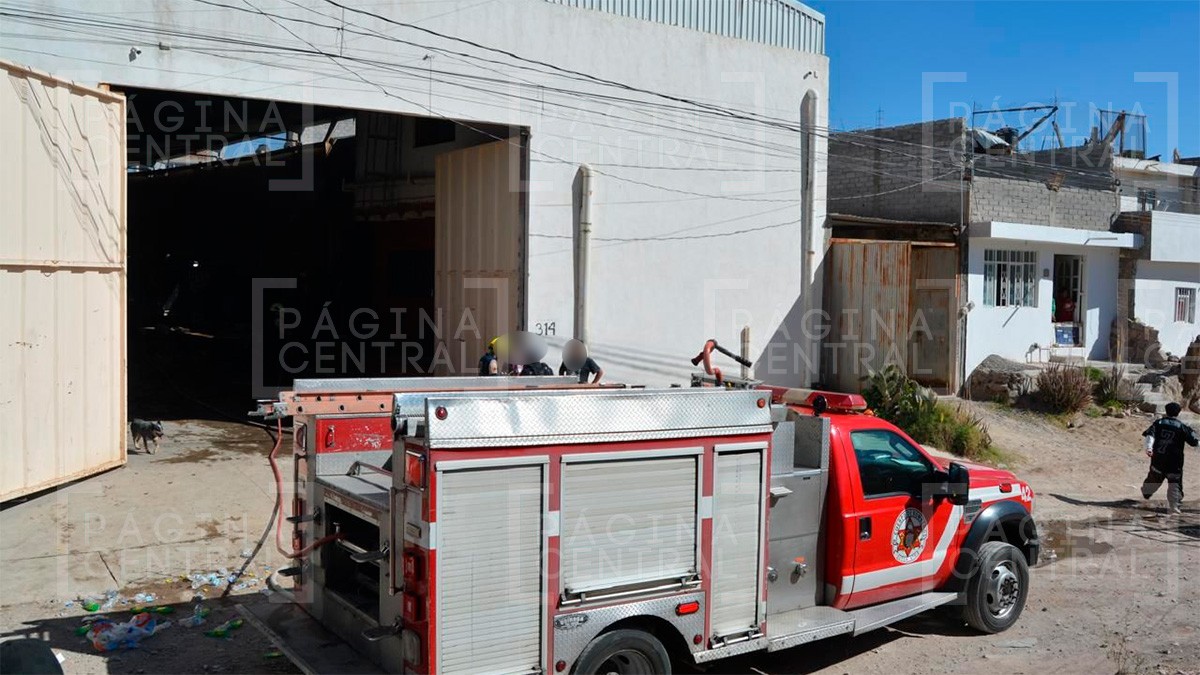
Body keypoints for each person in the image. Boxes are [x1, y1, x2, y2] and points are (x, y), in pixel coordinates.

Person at [1141, 402, 1199, 516]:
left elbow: (1150, 435)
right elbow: (1194, 442)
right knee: (1174, 483)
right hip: (1175, 462)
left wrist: (1149, 448)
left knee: (1154, 476)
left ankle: (1146, 492)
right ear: (1178, 413)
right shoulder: (1182, 426)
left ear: (1166, 411)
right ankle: (1174, 507)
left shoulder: (1158, 423)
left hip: (1159, 459)